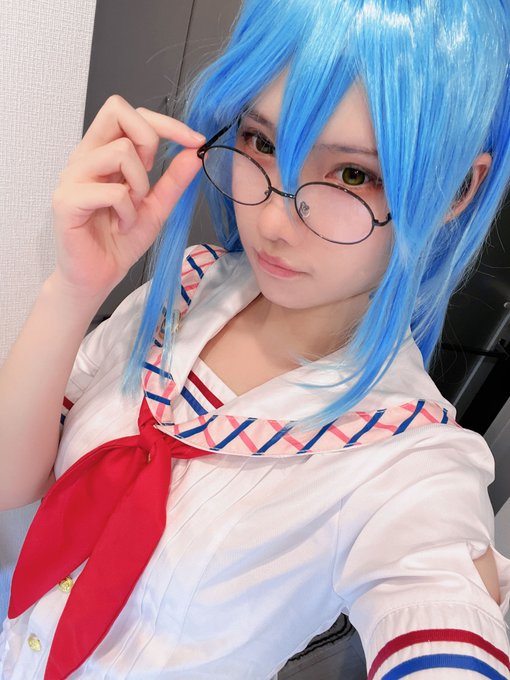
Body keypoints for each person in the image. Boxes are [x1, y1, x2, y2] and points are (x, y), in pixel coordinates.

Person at [1, 0, 510, 678]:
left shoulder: (409, 461)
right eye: (262, 142)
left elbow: (439, 611)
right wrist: (72, 291)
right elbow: (13, 485)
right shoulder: (184, 291)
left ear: (457, 189)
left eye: (352, 174)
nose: (273, 221)